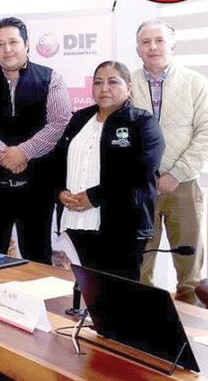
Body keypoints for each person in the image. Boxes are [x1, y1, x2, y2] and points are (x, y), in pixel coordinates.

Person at [0, 17, 70, 264]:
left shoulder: (50, 78)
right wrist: (3, 154)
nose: (7, 49)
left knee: (37, 257)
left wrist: (25, 152)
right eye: (0, 44)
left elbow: (60, 121)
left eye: (13, 42)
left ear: (27, 44)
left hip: (37, 185)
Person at [132, 19, 208, 303]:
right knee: (139, 268)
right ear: (138, 49)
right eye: (146, 42)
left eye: (159, 40)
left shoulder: (196, 83)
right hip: (140, 190)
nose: (153, 47)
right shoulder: (126, 84)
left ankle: (191, 326)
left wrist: (176, 174)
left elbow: (207, 135)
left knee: (190, 272)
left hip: (184, 187)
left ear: (173, 46)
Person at [54, 61, 164, 280]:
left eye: (113, 82)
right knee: (88, 287)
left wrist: (94, 197)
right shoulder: (79, 119)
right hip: (77, 220)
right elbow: (57, 161)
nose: (104, 88)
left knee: (118, 291)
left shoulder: (143, 122)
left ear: (129, 88)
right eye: (98, 82)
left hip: (122, 225)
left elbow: (139, 172)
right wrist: (60, 191)